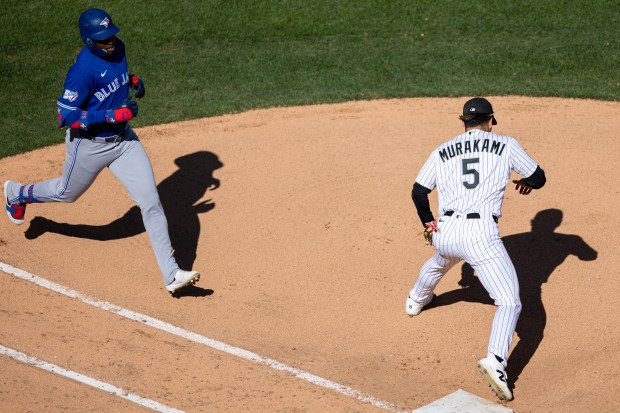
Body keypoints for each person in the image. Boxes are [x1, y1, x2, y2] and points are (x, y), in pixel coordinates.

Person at [3, 8, 200, 295]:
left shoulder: (118, 48)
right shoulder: (82, 71)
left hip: (124, 143)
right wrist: (111, 116)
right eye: (103, 39)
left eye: (111, 36)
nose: (110, 42)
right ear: (89, 41)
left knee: (150, 200)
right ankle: (17, 194)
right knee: (66, 193)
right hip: (89, 145)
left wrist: (132, 81)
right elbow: (65, 118)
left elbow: (116, 78)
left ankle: (171, 274)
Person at [405, 97, 546, 401]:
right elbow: (539, 176)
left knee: (442, 259)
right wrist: (526, 183)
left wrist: (429, 223)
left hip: (446, 229)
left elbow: (418, 192)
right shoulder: (505, 144)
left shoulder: (442, 149)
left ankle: (416, 299)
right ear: (491, 121)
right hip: (480, 234)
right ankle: (496, 360)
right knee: (510, 302)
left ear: (463, 123)